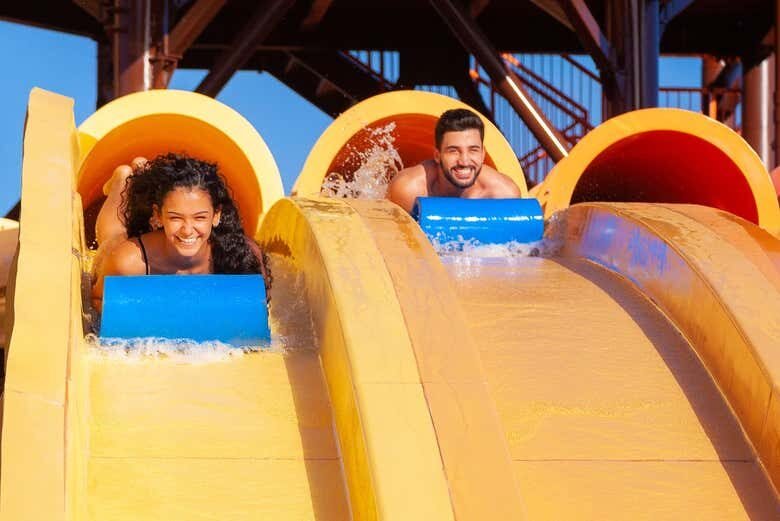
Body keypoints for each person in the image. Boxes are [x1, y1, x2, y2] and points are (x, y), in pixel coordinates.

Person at [91, 153, 265, 312]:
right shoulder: (128, 261)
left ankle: (141, 171)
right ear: (158, 215)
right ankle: (122, 180)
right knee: (114, 235)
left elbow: (258, 308)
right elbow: (97, 300)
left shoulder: (243, 256)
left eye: (199, 218)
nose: (188, 230)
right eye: (176, 218)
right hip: (137, 248)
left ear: (216, 216)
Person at [386, 108, 522, 214]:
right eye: (453, 151)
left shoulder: (503, 194)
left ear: (482, 154)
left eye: (473, 150)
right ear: (437, 155)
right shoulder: (409, 191)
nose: (464, 161)